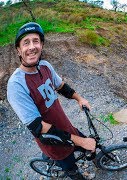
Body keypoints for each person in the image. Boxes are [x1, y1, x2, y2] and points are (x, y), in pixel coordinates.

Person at [7, 22, 96, 179]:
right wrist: (81, 142)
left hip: (67, 127)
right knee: (73, 170)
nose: (32, 47)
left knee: (90, 145)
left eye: (36, 41)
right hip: (54, 142)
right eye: (26, 43)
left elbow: (61, 86)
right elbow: (37, 127)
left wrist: (79, 98)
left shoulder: (45, 66)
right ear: (19, 50)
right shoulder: (16, 85)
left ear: (41, 45)